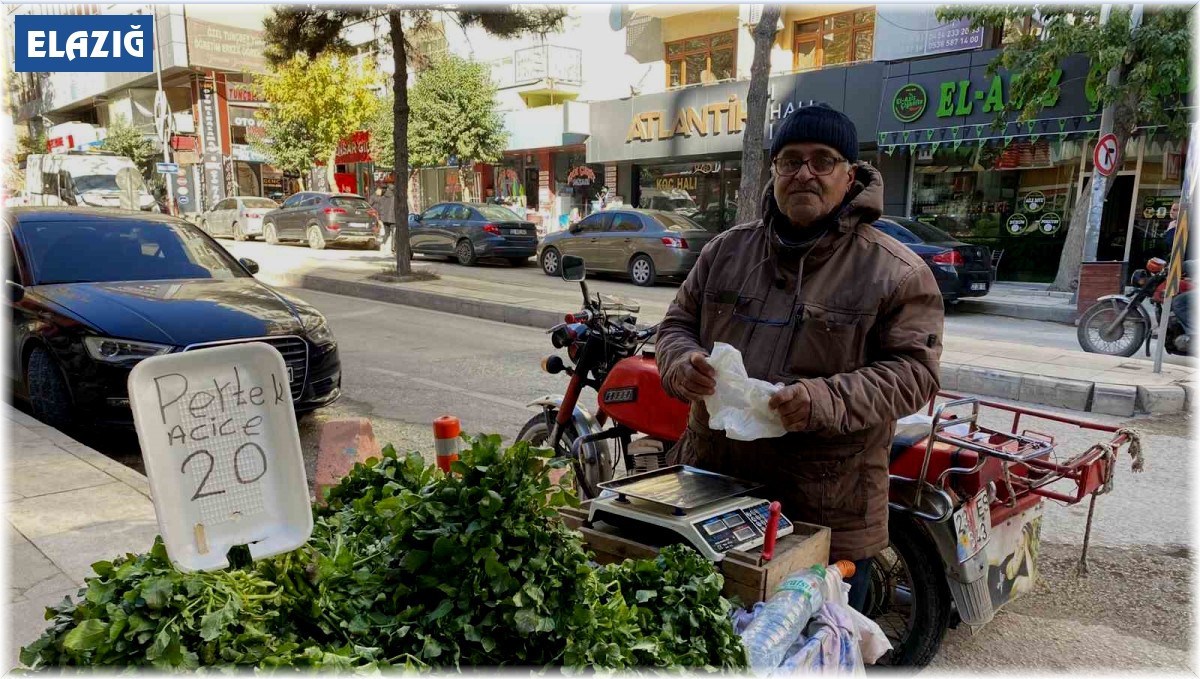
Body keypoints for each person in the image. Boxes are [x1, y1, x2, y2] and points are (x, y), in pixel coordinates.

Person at [656, 104, 945, 613]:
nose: (804, 173)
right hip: (714, 494)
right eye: (790, 160)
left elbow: (915, 374)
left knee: (815, 654)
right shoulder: (725, 252)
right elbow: (677, 324)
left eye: (822, 160)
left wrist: (822, 400)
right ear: (774, 171)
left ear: (850, 175)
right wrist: (681, 363)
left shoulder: (896, 272)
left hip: (825, 511)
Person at [371, 186, 397, 252]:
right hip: (393, 219)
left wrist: (380, 217)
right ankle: (393, 247)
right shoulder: (395, 198)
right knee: (394, 233)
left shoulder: (382, 198)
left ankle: (383, 244)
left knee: (387, 233)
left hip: (385, 219)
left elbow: (380, 208)